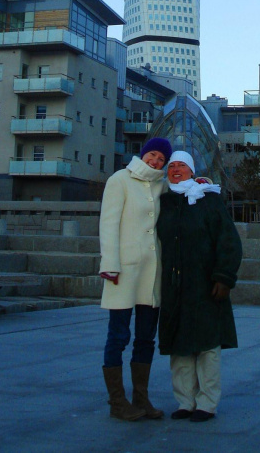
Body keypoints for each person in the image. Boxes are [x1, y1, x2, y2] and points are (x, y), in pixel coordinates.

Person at [156, 151, 243, 423]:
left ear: (192, 171)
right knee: (180, 348)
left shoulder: (209, 200)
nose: (176, 169)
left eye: (182, 165)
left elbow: (228, 241)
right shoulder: (164, 202)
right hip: (175, 287)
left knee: (207, 347)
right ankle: (185, 401)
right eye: (172, 166)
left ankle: (207, 403)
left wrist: (224, 277)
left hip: (205, 285)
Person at [99, 137, 172, 421]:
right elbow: (108, 223)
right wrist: (110, 264)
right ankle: (118, 402)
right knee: (118, 336)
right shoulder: (120, 180)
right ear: (143, 154)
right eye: (152, 155)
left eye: (161, 160)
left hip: (151, 273)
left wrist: (201, 183)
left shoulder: (161, 185)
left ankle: (141, 399)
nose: (155, 162)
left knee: (145, 339)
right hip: (123, 270)